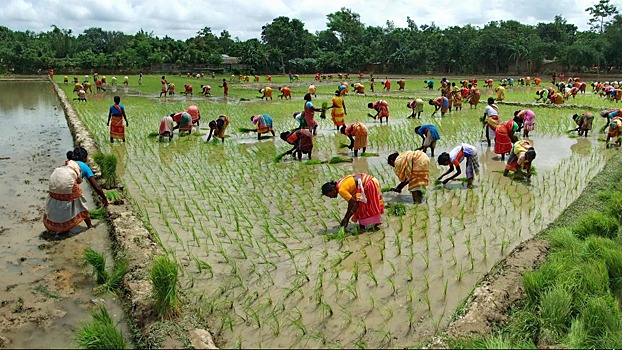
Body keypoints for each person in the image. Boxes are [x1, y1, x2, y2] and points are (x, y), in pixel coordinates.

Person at [43, 147, 109, 233]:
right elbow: (96, 187)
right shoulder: (84, 166)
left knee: (59, 203)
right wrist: (104, 198)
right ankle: (90, 226)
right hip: (66, 181)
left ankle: (59, 227)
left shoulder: (69, 163)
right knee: (81, 202)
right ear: (84, 158)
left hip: (53, 180)